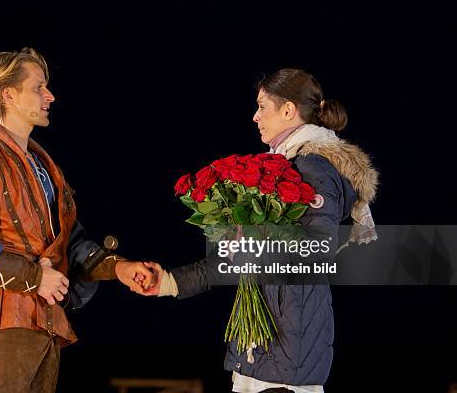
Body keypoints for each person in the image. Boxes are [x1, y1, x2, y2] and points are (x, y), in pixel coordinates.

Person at [139, 69, 378, 392]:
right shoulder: (285, 163)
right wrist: (169, 282)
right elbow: (243, 259)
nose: (255, 116)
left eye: (262, 106)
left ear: (288, 110)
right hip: (264, 345)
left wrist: (254, 240)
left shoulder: (313, 167)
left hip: (288, 349)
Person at [0, 47, 155, 393]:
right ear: (8, 94)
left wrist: (119, 269)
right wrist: (34, 277)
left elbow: (72, 242)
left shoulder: (43, 168)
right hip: (0, 329)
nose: (50, 95)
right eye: (38, 87)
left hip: (45, 328)